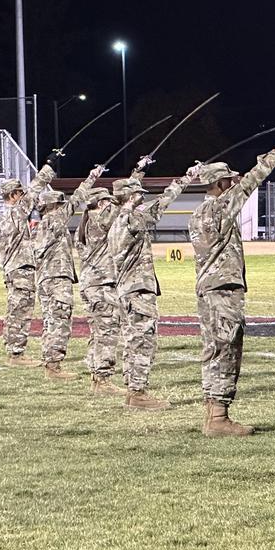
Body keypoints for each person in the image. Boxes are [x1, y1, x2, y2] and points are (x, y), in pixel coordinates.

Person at [189, 131, 275, 438]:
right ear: (220, 184)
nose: (233, 183)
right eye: (229, 180)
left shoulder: (196, 214)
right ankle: (218, 418)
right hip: (224, 290)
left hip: (208, 289)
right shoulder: (220, 208)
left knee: (213, 349)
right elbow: (253, 179)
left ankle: (212, 414)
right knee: (227, 350)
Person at [108, 163, 201, 409]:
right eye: (138, 195)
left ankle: (133, 389)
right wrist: (186, 178)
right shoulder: (131, 218)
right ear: (130, 197)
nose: (142, 198)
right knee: (143, 340)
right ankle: (138, 393)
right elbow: (162, 203)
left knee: (132, 339)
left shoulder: (116, 220)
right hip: (138, 290)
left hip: (127, 289)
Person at [75, 157, 151, 396]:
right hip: (102, 284)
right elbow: (123, 202)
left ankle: (97, 376)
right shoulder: (100, 219)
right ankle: (102, 379)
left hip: (92, 284)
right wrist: (136, 176)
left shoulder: (87, 223)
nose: (111, 203)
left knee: (100, 331)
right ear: (100, 203)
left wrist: (138, 172)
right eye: (107, 201)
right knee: (107, 332)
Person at [33, 165, 103, 379]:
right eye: (59, 205)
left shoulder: (43, 225)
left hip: (46, 278)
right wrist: (91, 177)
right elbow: (76, 200)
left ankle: (49, 361)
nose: (62, 208)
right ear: (52, 206)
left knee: (50, 320)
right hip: (56, 279)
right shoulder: (53, 221)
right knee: (60, 319)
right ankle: (53, 365)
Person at [0, 157, 57, 366]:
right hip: (19, 268)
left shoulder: (5, 216)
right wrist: (48, 167)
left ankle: (13, 350)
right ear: (13, 195)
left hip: (13, 268)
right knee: (21, 310)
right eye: (19, 193)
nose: (23, 196)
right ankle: (16, 354)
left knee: (15, 310)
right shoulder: (15, 212)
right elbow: (34, 190)